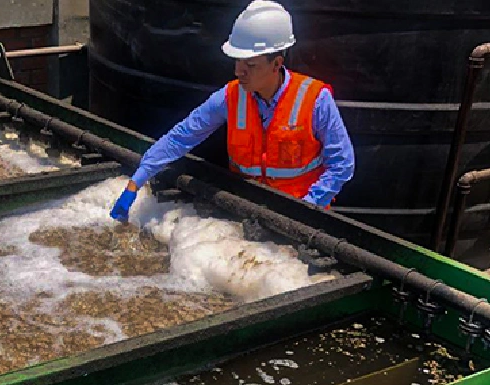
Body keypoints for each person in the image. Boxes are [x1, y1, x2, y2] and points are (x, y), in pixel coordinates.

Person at [110, 0, 355, 222]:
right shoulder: (230, 97)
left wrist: (307, 209)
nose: (239, 71)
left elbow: (342, 163)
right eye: (237, 61)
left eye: (250, 65)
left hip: (303, 219)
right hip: (246, 215)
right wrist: (136, 182)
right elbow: (180, 137)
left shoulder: (314, 99)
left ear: (276, 64)